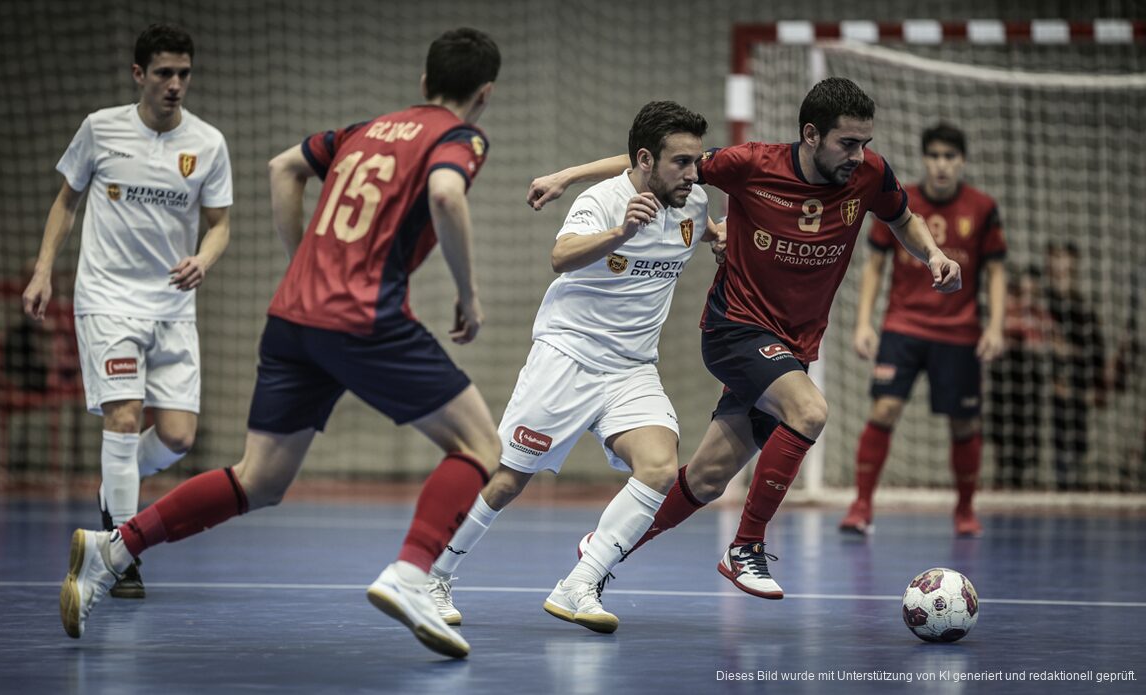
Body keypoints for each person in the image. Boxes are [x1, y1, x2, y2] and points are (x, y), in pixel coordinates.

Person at [58, 28, 502, 660]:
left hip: (295, 317)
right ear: (483, 94)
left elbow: (283, 166)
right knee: (480, 445)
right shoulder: (460, 137)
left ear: (424, 82)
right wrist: (469, 295)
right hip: (363, 317)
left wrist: (303, 261)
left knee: (259, 479)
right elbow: (445, 193)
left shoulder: (365, 129)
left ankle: (113, 548)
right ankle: (411, 573)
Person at [528, 77, 962, 599]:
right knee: (810, 412)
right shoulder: (750, 163)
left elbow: (904, 219)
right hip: (735, 328)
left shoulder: (868, 175)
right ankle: (746, 548)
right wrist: (567, 176)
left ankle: (600, 552)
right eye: (848, 143)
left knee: (708, 478)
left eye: (865, 142)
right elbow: (653, 164)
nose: (859, 154)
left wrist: (933, 254)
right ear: (811, 135)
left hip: (793, 345)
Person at [425, 101, 718, 634]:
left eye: (696, 162)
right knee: (511, 478)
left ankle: (579, 584)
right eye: (681, 162)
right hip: (568, 356)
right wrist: (619, 235)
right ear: (647, 160)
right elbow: (560, 257)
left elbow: (703, 225)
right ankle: (435, 576)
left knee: (658, 466)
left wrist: (722, 240)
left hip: (631, 367)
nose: (694, 173)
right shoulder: (604, 200)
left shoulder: (694, 203)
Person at [24, 23, 232, 599]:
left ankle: (114, 491)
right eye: (163, 73)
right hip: (108, 301)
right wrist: (43, 270)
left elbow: (220, 225)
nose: (175, 85)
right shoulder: (100, 128)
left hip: (172, 307)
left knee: (178, 436)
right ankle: (120, 550)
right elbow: (67, 200)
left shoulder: (208, 144)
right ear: (139, 74)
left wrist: (204, 261)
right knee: (122, 419)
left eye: (183, 74)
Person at [839, 123, 1007, 537]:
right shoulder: (898, 201)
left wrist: (996, 327)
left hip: (960, 332)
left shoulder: (982, 208)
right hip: (904, 326)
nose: (942, 165)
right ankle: (861, 506)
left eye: (950, 157)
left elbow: (997, 271)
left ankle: (965, 511)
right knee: (884, 409)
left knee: (964, 423)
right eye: (934, 156)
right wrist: (863, 323)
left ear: (962, 161)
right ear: (925, 159)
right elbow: (875, 265)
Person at [1044, 242, 1105, 490]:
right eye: (1056, 262)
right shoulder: (1041, 303)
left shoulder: (1084, 311)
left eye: (1066, 263)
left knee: (1073, 455)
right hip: (1040, 400)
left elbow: (1095, 355)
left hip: (1074, 397)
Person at [990, 265, 1049, 489]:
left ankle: (1027, 479)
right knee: (1003, 431)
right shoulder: (1006, 309)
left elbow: (1045, 343)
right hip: (1005, 378)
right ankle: (1002, 476)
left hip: (1029, 379)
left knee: (1028, 429)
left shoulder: (1040, 315)